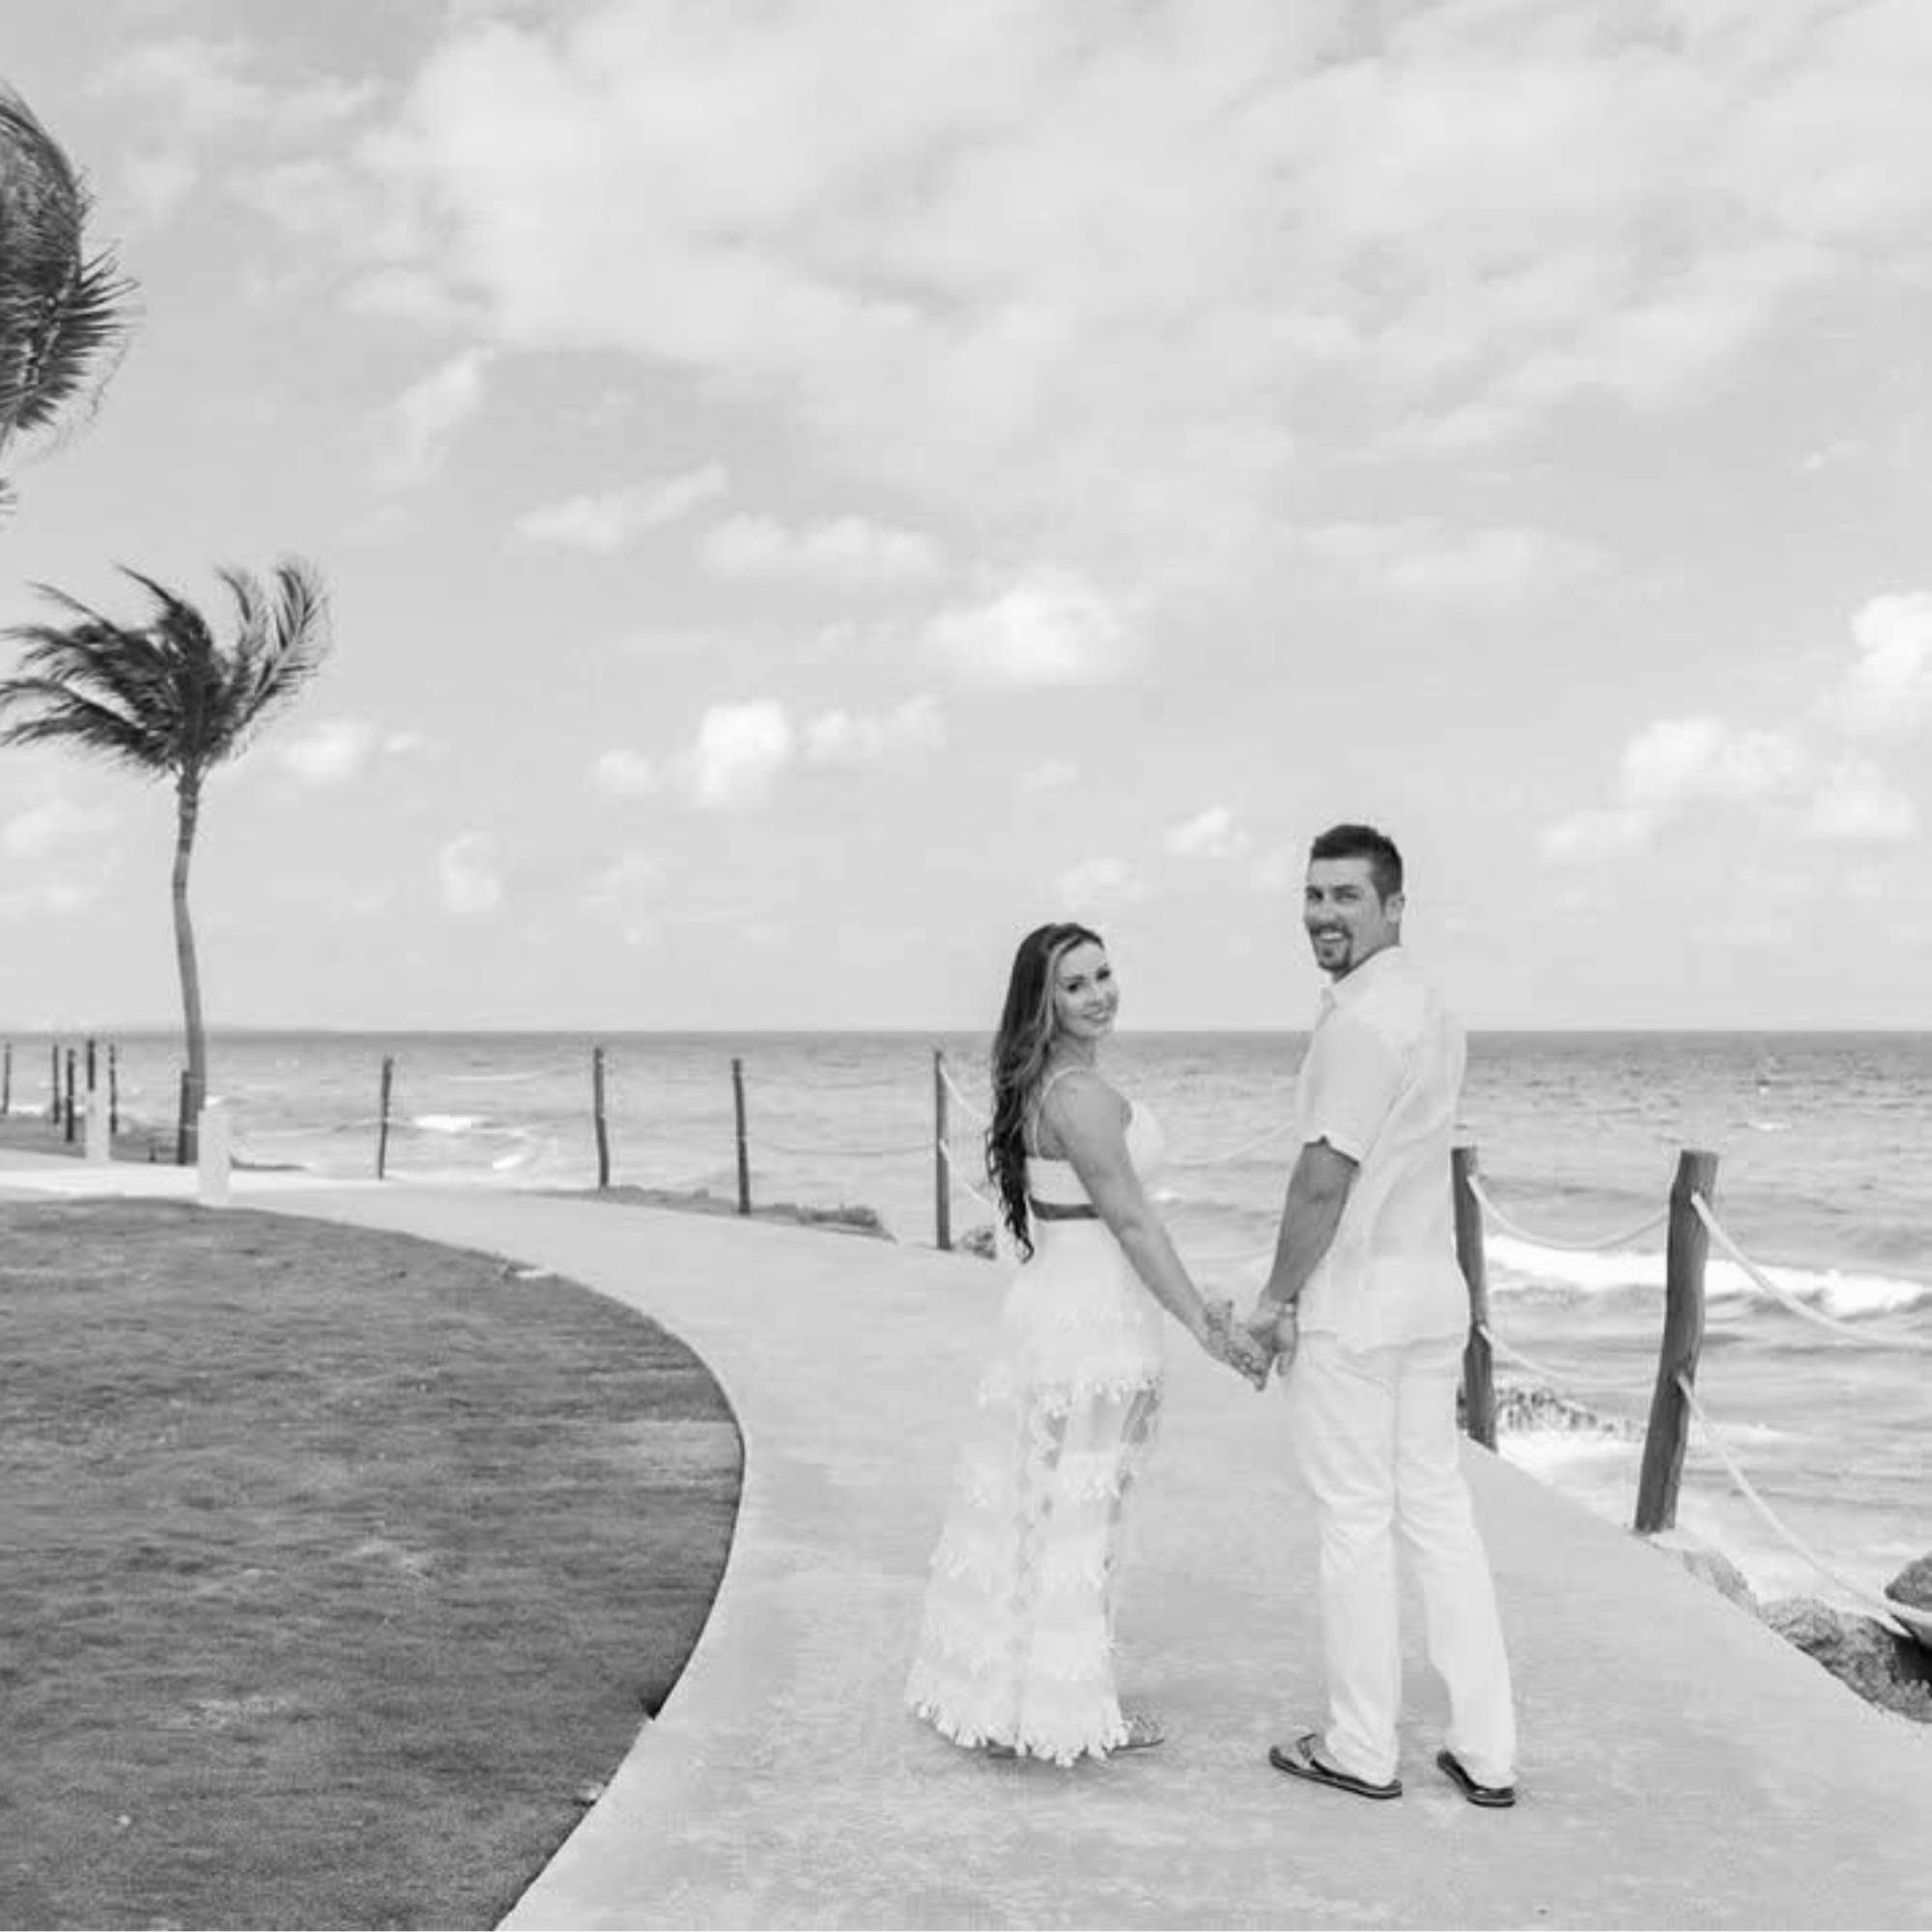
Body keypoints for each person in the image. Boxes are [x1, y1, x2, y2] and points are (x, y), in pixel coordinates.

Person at [906, 921, 1268, 1766]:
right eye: (1075, 984)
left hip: (1053, 1307)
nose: (1099, 994)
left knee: (1045, 1509)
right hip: (1094, 1323)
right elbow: (1134, 1222)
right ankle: (1070, 1708)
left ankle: (1019, 1696)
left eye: (1104, 974)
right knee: (1085, 1520)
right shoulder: (1080, 1097)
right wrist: (1205, 1326)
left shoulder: (1038, 1085)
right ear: (1044, 1002)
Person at [1242, 825, 1519, 1808]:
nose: (1322, 913)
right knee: (1439, 1515)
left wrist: (1273, 1300)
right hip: (1430, 1296)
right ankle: (1487, 1750)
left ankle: (1360, 1746)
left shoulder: (1359, 1022)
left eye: (1344, 896)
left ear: (1392, 906)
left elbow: (1323, 1179)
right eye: (1312, 894)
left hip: (1359, 1306)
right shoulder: (1431, 1008)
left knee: (1355, 1522)